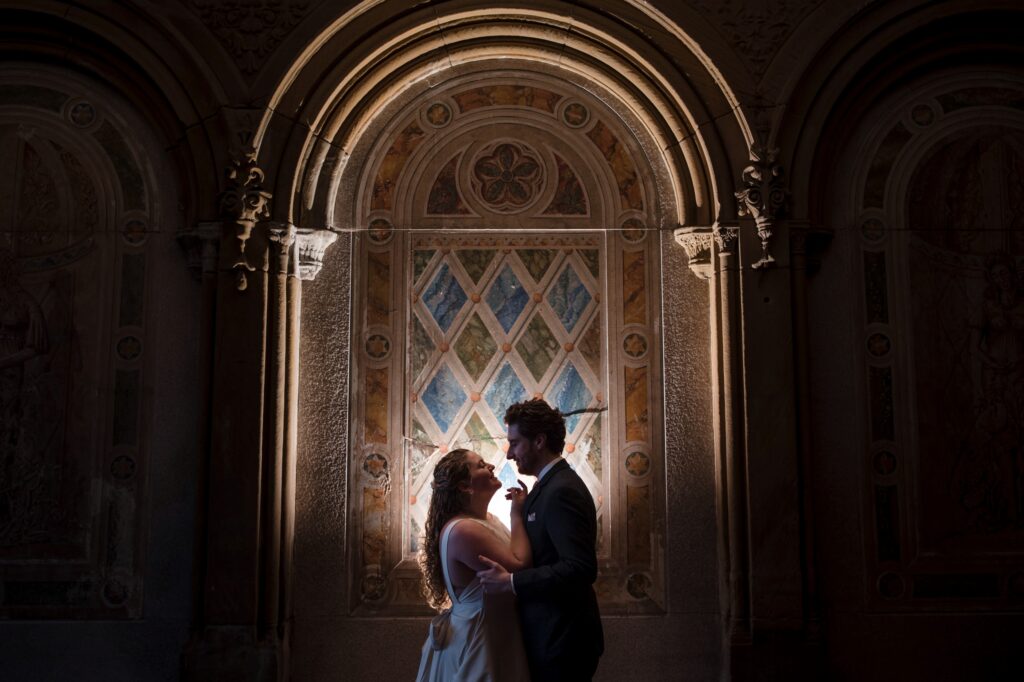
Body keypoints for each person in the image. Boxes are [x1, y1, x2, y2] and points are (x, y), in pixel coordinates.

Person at [477, 399, 604, 681]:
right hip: (550, 636)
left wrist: (509, 583)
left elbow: (580, 568)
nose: (509, 454)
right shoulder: (545, 487)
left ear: (539, 441)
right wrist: (520, 510)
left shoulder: (562, 490)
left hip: (563, 641)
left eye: (515, 443)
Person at [416, 448, 532, 682]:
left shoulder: (488, 520)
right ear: (464, 486)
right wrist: (517, 515)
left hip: (497, 630)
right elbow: (519, 565)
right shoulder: (463, 530)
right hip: (478, 637)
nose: (490, 466)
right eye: (480, 465)